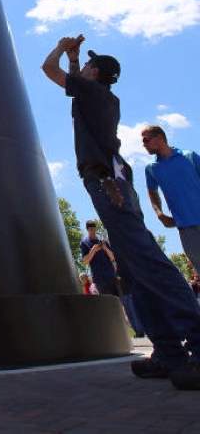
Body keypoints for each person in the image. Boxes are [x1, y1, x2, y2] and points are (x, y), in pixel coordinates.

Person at [42, 35, 200, 389]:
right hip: (112, 182)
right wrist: (76, 57)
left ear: (95, 73)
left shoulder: (93, 93)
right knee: (132, 270)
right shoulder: (94, 95)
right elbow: (72, 87)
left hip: (107, 184)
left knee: (149, 262)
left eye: (86, 64)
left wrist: (61, 47)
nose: (82, 66)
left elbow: (47, 70)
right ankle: (168, 353)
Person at [141, 125, 200, 274]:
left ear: (159, 138)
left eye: (146, 140)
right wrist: (159, 213)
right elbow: (152, 192)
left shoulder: (189, 156)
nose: (144, 144)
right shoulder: (152, 168)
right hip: (186, 229)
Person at [80, 221, 119, 297]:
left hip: (111, 276)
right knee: (107, 302)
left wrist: (105, 249)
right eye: (91, 230)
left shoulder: (103, 242)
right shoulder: (84, 243)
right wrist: (93, 250)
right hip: (99, 279)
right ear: (87, 230)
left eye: (94, 229)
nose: (93, 232)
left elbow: (113, 258)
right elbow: (85, 261)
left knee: (119, 301)